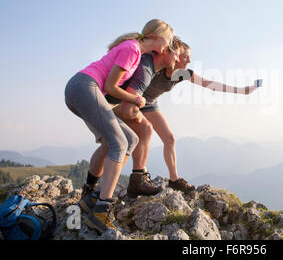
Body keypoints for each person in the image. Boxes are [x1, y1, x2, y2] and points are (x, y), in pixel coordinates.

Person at [80, 37, 259, 201]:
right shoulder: (156, 66)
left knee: (169, 138)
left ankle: (173, 180)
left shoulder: (183, 73)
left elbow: (209, 85)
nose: (189, 61)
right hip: (128, 101)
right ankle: (97, 186)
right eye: (186, 56)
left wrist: (242, 90)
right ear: (176, 55)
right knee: (114, 144)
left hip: (148, 104)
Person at [64, 19, 173, 233]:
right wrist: (136, 100)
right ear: (156, 37)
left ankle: (91, 198)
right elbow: (110, 86)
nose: (167, 47)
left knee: (131, 139)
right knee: (119, 142)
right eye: (167, 42)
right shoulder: (132, 48)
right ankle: (101, 211)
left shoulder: (135, 49)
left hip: (84, 90)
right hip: (84, 87)